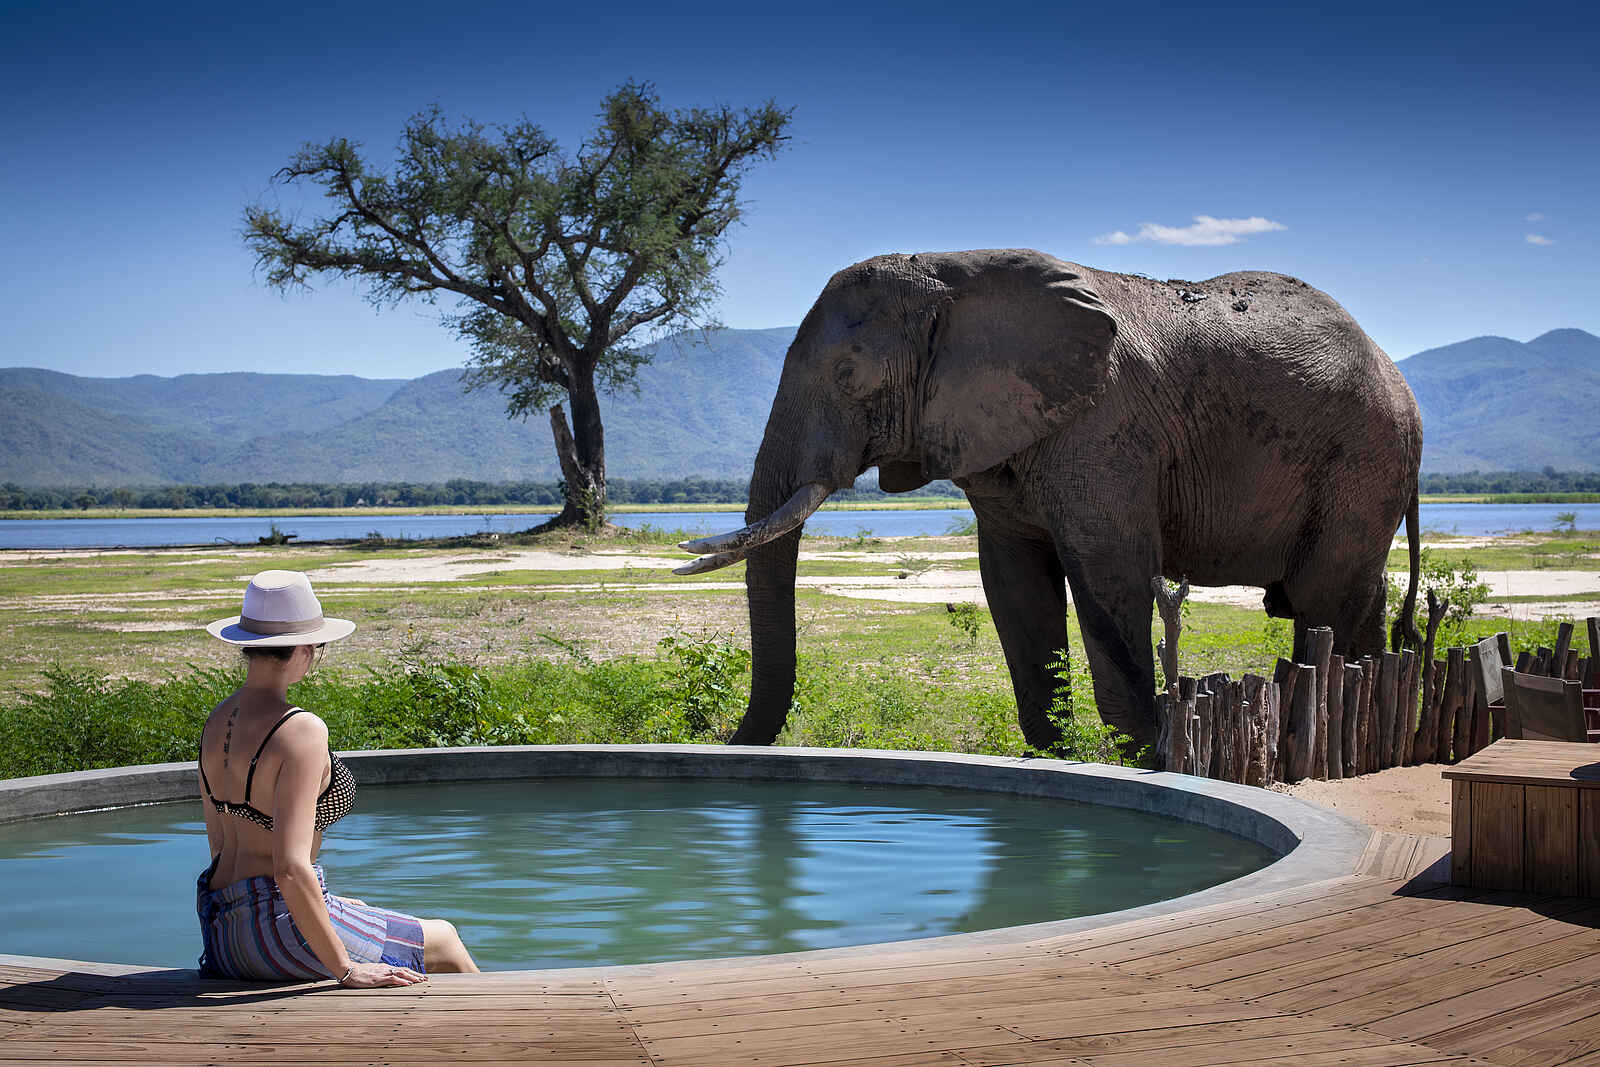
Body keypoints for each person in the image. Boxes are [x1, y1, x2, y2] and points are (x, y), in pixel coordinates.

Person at [196, 569, 478, 986]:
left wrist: (329, 906)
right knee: (445, 940)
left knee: (365, 914)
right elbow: (289, 868)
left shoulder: (217, 721)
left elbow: (219, 846)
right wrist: (347, 970)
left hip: (224, 934)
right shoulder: (301, 730)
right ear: (305, 648)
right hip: (276, 934)